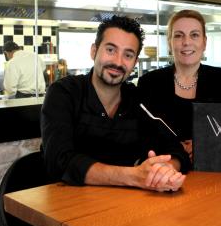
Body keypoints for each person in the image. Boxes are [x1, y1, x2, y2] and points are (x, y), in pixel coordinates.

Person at [41, 15, 189, 191]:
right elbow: (60, 161)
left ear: (134, 62)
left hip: (124, 205)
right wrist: (133, 176)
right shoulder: (64, 93)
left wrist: (166, 170)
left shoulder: (138, 99)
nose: (118, 62)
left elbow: (175, 149)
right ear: (94, 51)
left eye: (128, 55)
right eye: (111, 50)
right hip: (67, 204)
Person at [138, 9, 221, 161]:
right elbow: (140, 133)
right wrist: (176, 150)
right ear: (170, 43)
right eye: (178, 35)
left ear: (204, 42)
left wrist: (203, 144)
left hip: (213, 168)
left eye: (194, 35)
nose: (186, 42)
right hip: (166, 169)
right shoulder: (149, 82)